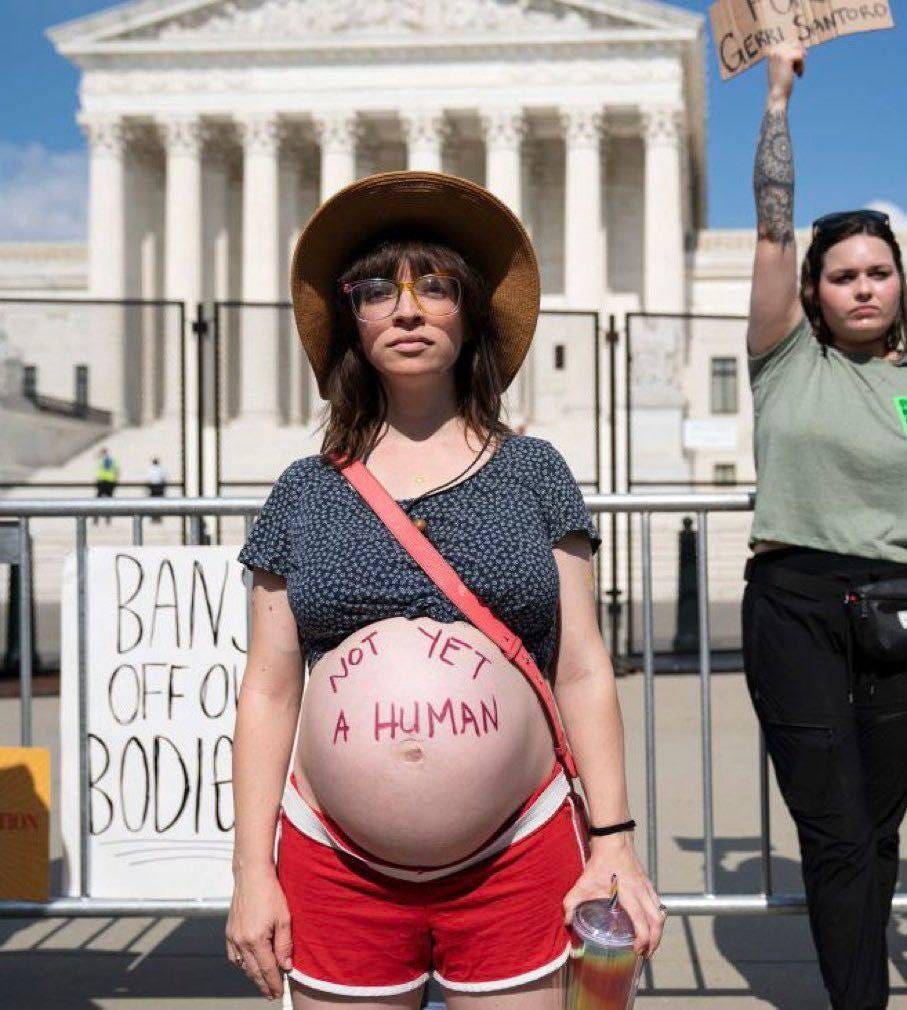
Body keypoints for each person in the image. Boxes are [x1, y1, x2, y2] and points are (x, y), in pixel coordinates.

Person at [227, 171, 666, 1008]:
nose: (407, 311)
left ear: (470, 315)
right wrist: (252, 871)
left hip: (519, 850)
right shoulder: (303, 492)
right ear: (351, 322)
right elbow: (269, 691)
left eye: (434, 286)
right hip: (334, 862)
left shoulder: (534, 471)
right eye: (376, 292)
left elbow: (581, 668)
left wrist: (613, 843)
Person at [742, 43, 907, 1010]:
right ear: (813, 290)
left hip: (896, 611)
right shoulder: (783, 357)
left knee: (877, 832)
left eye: (879, 272)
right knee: (836, 829)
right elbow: (773, 228)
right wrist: (777, 98)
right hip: (795, 604)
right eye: (842, 275)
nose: (862, 287)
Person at [93, 447, 118, 526]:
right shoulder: (112, 460)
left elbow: (95, 457)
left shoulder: (103, 460)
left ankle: (96, 518)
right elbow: (117, 471)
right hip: (111, 481)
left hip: (103, 481)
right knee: (109, 501)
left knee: (98, 501)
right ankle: (108, 518)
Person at [146, 456, 167, 524]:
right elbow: (164, 479)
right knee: (159, 502)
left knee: (153, 502)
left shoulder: (150, 469)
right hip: (159, 487)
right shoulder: (161, 469)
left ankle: (154, 517)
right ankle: (157, 517)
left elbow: (148, 479)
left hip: (153, 487)